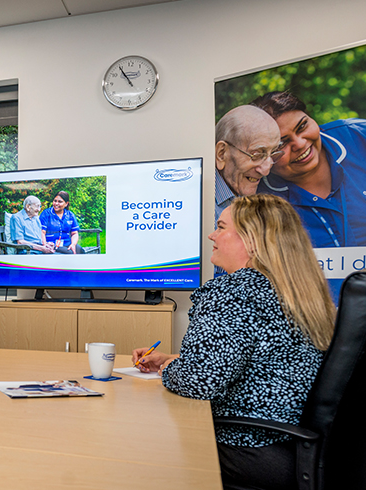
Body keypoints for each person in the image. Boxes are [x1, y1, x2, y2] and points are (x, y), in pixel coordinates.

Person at [133, 194, 336, 490]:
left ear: (252, 240)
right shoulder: (295, 292)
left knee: (139, 444)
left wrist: (169, 370)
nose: (211, 235)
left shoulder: (234, 292)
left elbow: (200, 382)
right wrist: (175, 360)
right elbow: (260, 362)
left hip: (246, 447)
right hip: (292, 448)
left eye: (221, 227)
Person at [253, 91, 366, 248]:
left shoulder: (358, 135)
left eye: (302, 126)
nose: (300, 144)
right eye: (281, 143)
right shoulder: (256, 199)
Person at [213, 105, 282, 222]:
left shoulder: (260, 198)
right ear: (222, 153)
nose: (266, 170)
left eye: (273, 153)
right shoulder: (197, 205)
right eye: (257, 155)